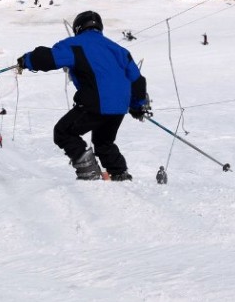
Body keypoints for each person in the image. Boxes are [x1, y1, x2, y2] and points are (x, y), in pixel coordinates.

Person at [17, 10, 148, 181]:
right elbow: (137, 80)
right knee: (103, 142)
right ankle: (119, 174)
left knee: (63, 132)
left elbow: (49, 58)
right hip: (118, 107)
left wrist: (26, 60)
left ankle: (89, 171)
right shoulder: (119, 50)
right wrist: (137, 106)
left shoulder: (75, 44)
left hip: (96, 101)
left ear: (78, 28)